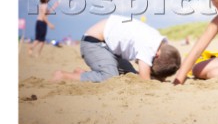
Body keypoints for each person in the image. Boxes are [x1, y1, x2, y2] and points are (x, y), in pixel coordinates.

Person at [52, 14, 181, 83]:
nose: (150, 63)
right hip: (94, 43)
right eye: (152, 63)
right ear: (157, 56)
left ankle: (82, 75)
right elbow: (144, 79)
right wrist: (156, 79)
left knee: (130, 74)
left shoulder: (159, 41)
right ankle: (63, 76)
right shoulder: (149, 46)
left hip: (109, 48)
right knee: (110, 76)